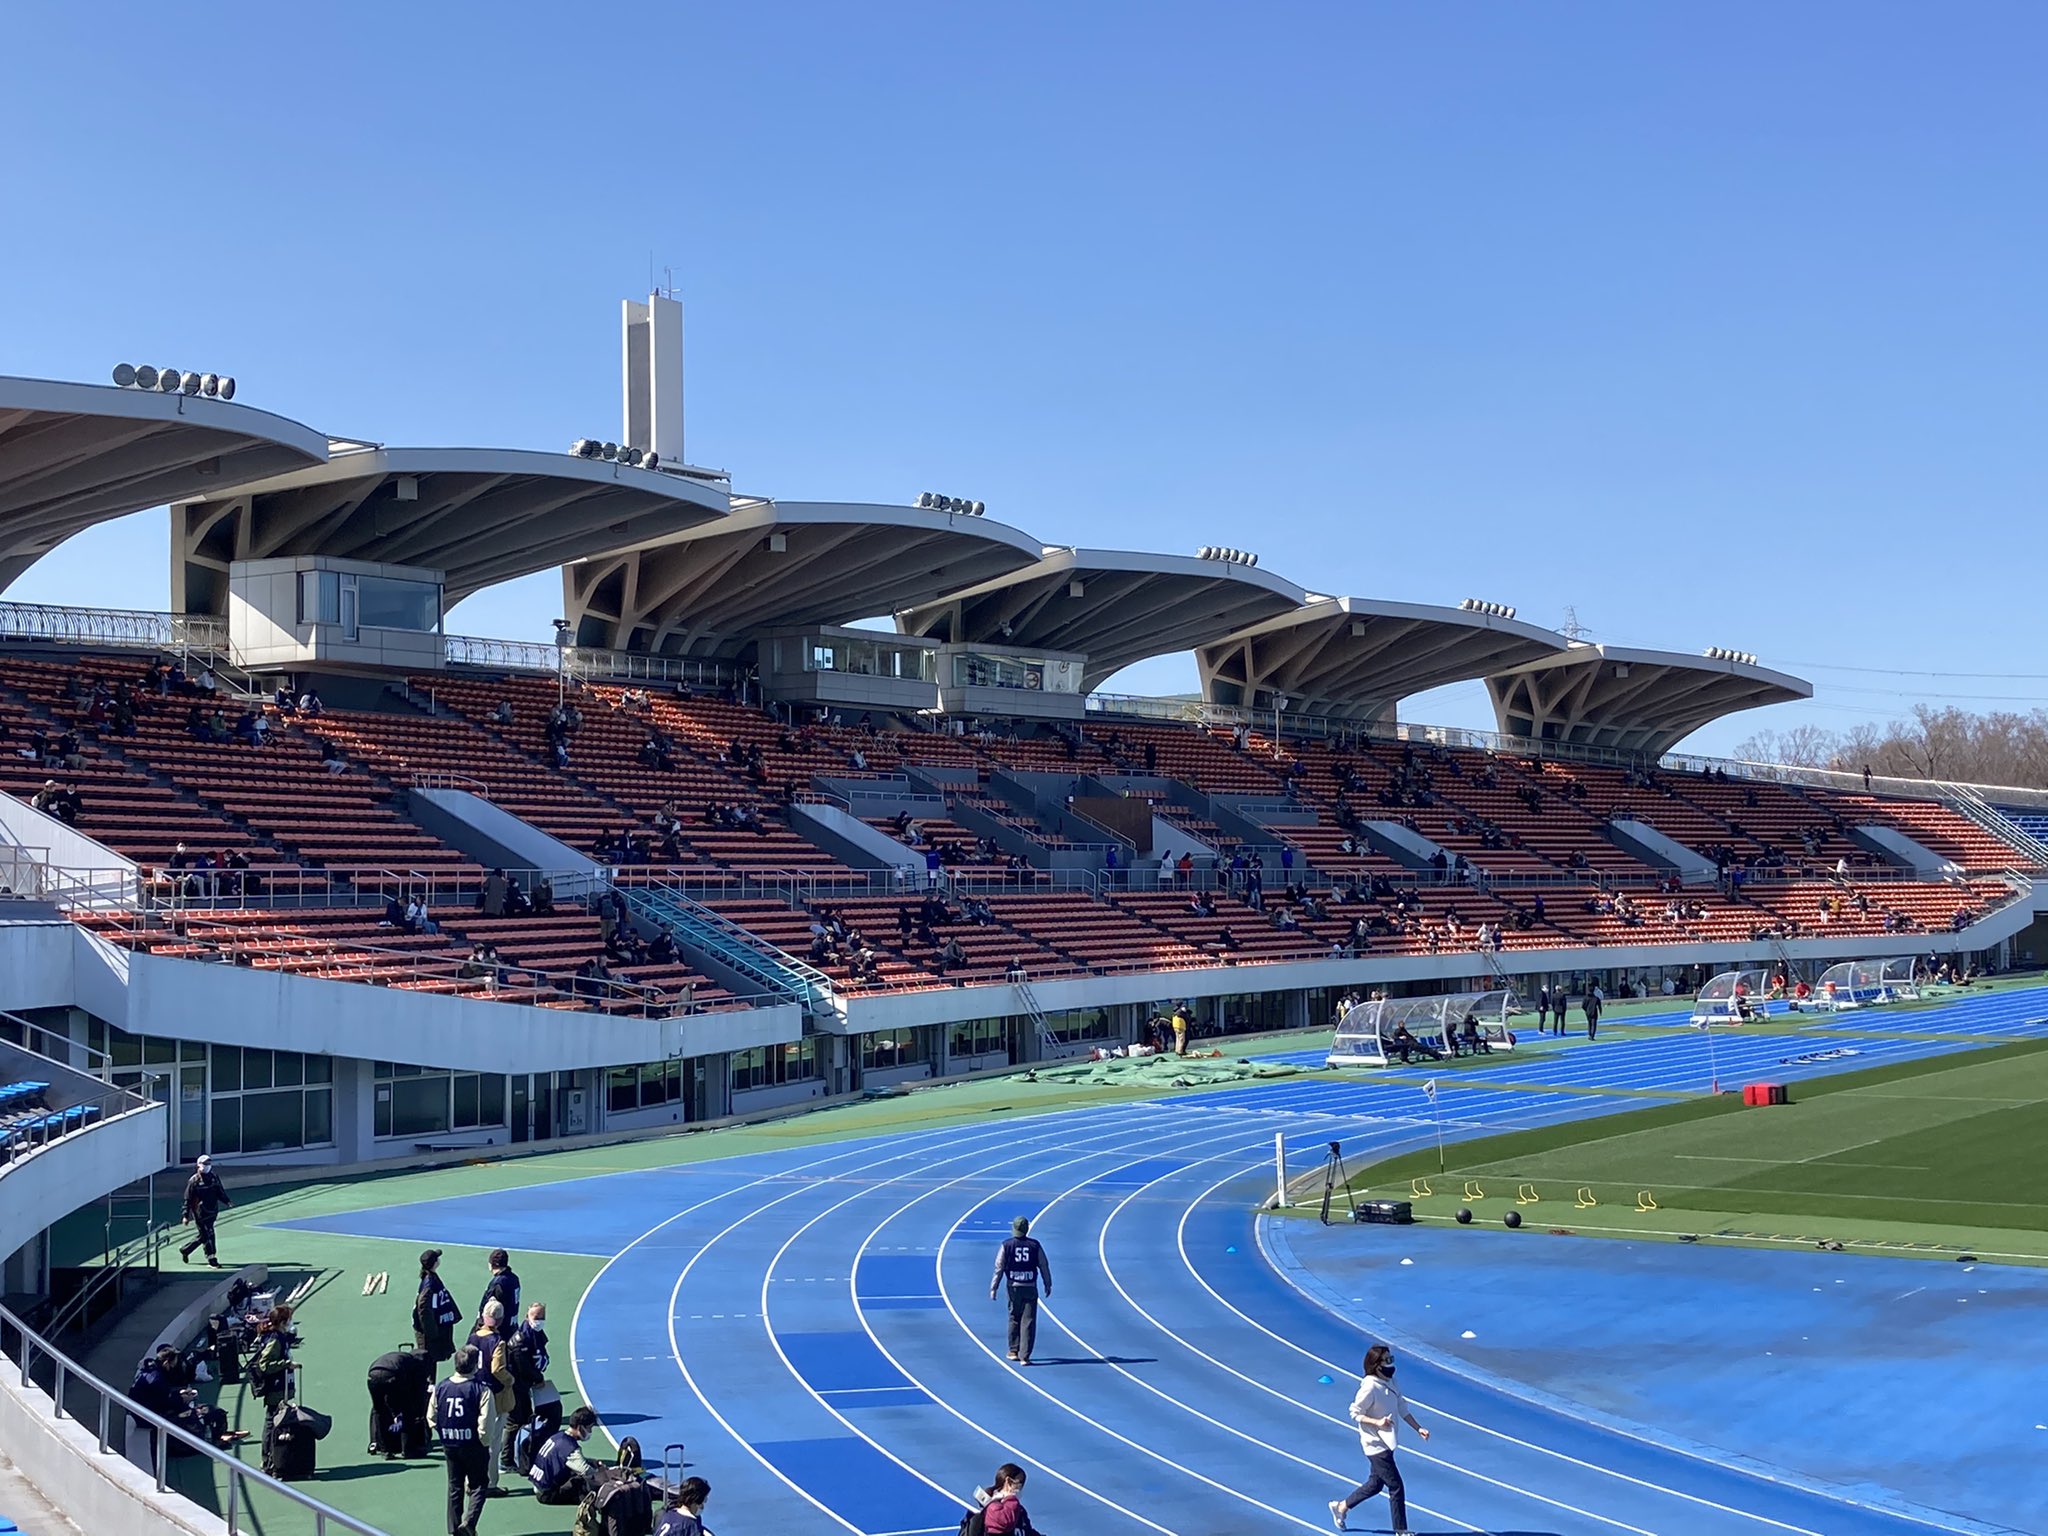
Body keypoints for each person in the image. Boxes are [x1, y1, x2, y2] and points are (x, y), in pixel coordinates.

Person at [1331, 1343, 1428, 1533]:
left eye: (1392, 1359)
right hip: (1374, 1445)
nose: (1391, 1364)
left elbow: (1402, 1407)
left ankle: (1341, 1507)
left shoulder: (1391, 1383)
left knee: (1375, 1484)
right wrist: (1377, 1422)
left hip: (1387, 1442)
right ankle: (1401, 1531)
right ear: (1376, 1365)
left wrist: (1418, 1428)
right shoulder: (1369, 1388)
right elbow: (1354, 1412)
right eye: (1387, 1361)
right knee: (1396, 1486)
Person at [431, 1345, 495, 1536]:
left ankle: (453, 1528)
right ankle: (469, 1523)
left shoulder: (441, 1387)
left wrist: (444, 1433)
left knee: (454, 1485)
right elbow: (485, 1423)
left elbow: (431, 1416)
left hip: (450, 1444)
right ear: (476, 1365)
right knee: (479, 1484)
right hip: (473, 1445)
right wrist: (484, 1442)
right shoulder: (481, 1390)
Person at [990, 1216, 1052, 1366]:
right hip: (1030, 1287)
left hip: (1013, 1287)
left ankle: (1013, 1350)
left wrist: (994, 1287)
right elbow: (1044, 1265)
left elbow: (999, 1268)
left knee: (1014, 1317)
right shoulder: (1035, 1245)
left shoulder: (1007, 1245)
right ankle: (1025, 1356)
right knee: (1028, 1321)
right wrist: (1047, 1284)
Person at [465, 1303, 515, 1488]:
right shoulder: (497, 1342)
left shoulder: (472, 1338)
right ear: (500, 1320)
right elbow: (498, 1369)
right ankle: (490, 1483)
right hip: (494, 1396)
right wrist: (510, 1380)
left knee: (474, 1440)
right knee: (493, 1443)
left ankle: (470, 1480)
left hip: (473, 1394)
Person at [503, 1301, 551, 1471]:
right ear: (527, 1316)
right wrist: (537, 1377)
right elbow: (523, 1366)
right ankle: (506, 1459)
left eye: (542, 1317)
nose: (540, 1320)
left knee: (525, 1419)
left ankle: (518, 1455)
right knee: (515, 1421)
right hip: (516, 1386)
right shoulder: (520, 1339)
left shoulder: (535, 1335)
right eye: (536, 1317)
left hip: (523, 1385)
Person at [365, 1346, 434, 1458]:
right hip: (392, 1375)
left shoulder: (404, 1358)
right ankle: (408, 1449)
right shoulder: (417, 1365)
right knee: (407, 1410)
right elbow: (417, 1393)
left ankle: (384, 1450)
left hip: (373, 1374)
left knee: (379, 1410)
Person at [528, 1405, 598, 1505]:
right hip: (548, 1494)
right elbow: (586, 1471)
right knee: (584, 1483)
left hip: (539, 1486)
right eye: (589, 1428)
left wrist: (592, 1462)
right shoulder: (569, 1447)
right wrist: (602, 1474)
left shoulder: (558, 1436)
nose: (590, 1432)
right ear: (580, 1427)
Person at [177, 1153, 232, 1267]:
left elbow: (219, 1191)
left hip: (212, 1211)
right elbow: (188, 1199)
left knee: (204, 1235)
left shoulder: (214, 1177)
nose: (207, 1166)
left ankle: (185, 1250)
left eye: (209, 1163)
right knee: (208, 1233)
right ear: (198, 1165)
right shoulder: (194, 1181)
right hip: (200, 1213)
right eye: (205, 1164)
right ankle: (211, 1258)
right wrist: (185, 1215)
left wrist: (227, 1201)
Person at [248, 1305, 296, 1422]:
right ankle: (270, 1441)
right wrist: (286, 1364)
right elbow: (264, 1364)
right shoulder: (274, 1340)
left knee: (278, 1420)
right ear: (282, 1322)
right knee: (273, 1420)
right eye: (288, 1319)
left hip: (281, 1387)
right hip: (276, 1388)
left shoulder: (279, 1337)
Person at [414, 1249, 461, 1361]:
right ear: (435, 1263)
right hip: (431, 1333)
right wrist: (432, 1333)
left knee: (433, 1359)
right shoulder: (429, 1283)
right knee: (428, 1362)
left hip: (438, 1327)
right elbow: (423, 1308)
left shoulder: (431, 1278)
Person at [976, 1463, 1041, 1534]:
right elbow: (1006, 1522)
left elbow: (1027, 1532)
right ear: (1008, 1482)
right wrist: (1011, 1497)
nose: (1020, 1488)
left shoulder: (1019, 1510)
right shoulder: (993, 1508)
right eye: (1019, 1483)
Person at [481, 1249, 521, 1327]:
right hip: (512, 1325)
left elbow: (492, 1310)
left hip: (501, 1329)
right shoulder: (514, 1278)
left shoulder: (498, 1283)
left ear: (491, 1264)